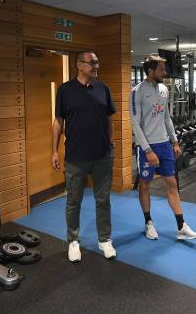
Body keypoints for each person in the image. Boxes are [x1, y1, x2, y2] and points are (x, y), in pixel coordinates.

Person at [52, 51, 116, 262]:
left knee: (103, 199)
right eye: (92, 62)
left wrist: (110, 144)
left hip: (102, 156)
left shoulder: (103, 88)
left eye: (97, 62)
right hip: (75, 156)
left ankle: (104, 239)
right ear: (79, 65)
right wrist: (54, 150)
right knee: (73, 201)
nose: (96, 65)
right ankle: (73, 241)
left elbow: (109, 120)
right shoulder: (65, 90)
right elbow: (58, 122)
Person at [131, 55, 196, 241]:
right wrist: (147, 150)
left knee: (172, 184)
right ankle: (148, 222)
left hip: (164, 144)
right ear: (150, 70)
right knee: (144, 184)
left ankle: (181, 226)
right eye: (161, 69)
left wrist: (175, 141)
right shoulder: (137, 91)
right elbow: (135, 124)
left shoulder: (163, 89)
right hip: (147, 146)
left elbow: (166, 117)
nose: (165, 72)